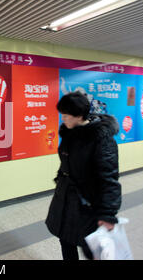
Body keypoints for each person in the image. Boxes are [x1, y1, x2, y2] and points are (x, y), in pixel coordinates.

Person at [45, 91, 122, 260]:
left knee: (91, 245)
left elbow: (109, 179)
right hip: (66, 196)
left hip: (88, 201)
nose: (63, 119)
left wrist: (108, 214)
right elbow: (67, 160)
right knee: (65, 239)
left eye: (66, 115)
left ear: (79, 115)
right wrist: (61, 178)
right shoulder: (69, 132)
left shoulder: (101, 139)